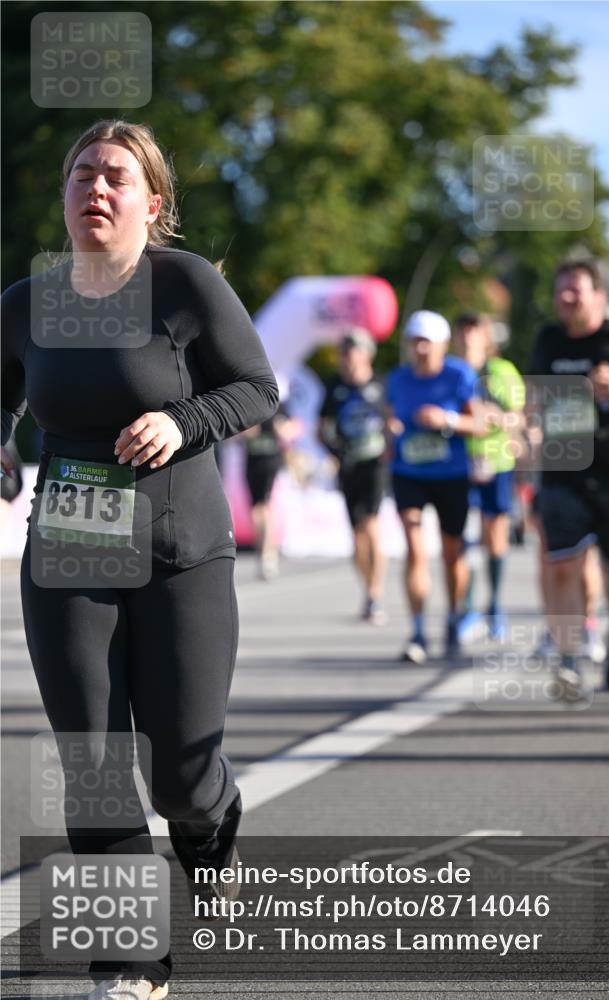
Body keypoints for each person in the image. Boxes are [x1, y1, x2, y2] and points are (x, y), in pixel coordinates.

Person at [0, 120, 278, 999]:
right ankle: (130, 959)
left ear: (151, 203)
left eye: (116, 176)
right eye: (82, 175)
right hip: (70, 549)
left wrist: (180, 419)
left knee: (181, 778)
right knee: (90, 757)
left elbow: (255, 388)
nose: (97, 190)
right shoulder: (25, 302)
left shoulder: (183, 284)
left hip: (178, 551)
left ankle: (211, 828)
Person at [528, 257, 609, 697]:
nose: (566, 298)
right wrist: (526, 429)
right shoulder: (547, 340)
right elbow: (536, 397)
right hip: (563, 469)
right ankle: (568, 660)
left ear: (598, 296)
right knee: (561, 563)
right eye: (560, 290)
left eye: (575, 290)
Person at [386, 310, 479, 662]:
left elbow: (482, 423)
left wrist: (448, 419)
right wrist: (390, 428)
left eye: (427, 342)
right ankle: (418, 630)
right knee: (414, 546)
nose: (420, 349)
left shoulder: (460, 375)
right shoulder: (398, 379)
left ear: (442, 345)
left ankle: (454, 615)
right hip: (408, 471)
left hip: (451, 473)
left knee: (452, 553)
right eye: (414, 341)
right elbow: (389, 414)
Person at [453, 311, 525, 641]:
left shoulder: (502, 371)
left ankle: (494, 606)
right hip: (456, 465)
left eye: (474, 331)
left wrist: (495, 418)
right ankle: (466, 610)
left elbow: (517, 417)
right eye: (463, 331)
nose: (468, 337)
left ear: (486, 337)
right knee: (462, 537)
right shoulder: (451, 371)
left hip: (495, 463)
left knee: (494, 534)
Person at [319, 328, 387, 623]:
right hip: (349, 465)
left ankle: (375, 592)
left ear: (367, 354)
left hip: (376, 462)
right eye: (343, 353)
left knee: (371, 522)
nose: (347, 359)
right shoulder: (334, 387)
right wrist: (335, 451)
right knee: (356, 534)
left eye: (352, 352)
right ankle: (367, 589)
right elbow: (321, 427)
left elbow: (394, 418)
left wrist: (392, 442)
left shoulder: (381, 385)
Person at [241, 399, 300, 581]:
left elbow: (292, 430)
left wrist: (281, 429)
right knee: (256, 510)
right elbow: (233, 435)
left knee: (264, 509)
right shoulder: (248, 405)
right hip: (252, 462)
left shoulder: (278, 406)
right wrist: (246, 432)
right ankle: (264, 552)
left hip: (270, 462)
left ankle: (268, 554)